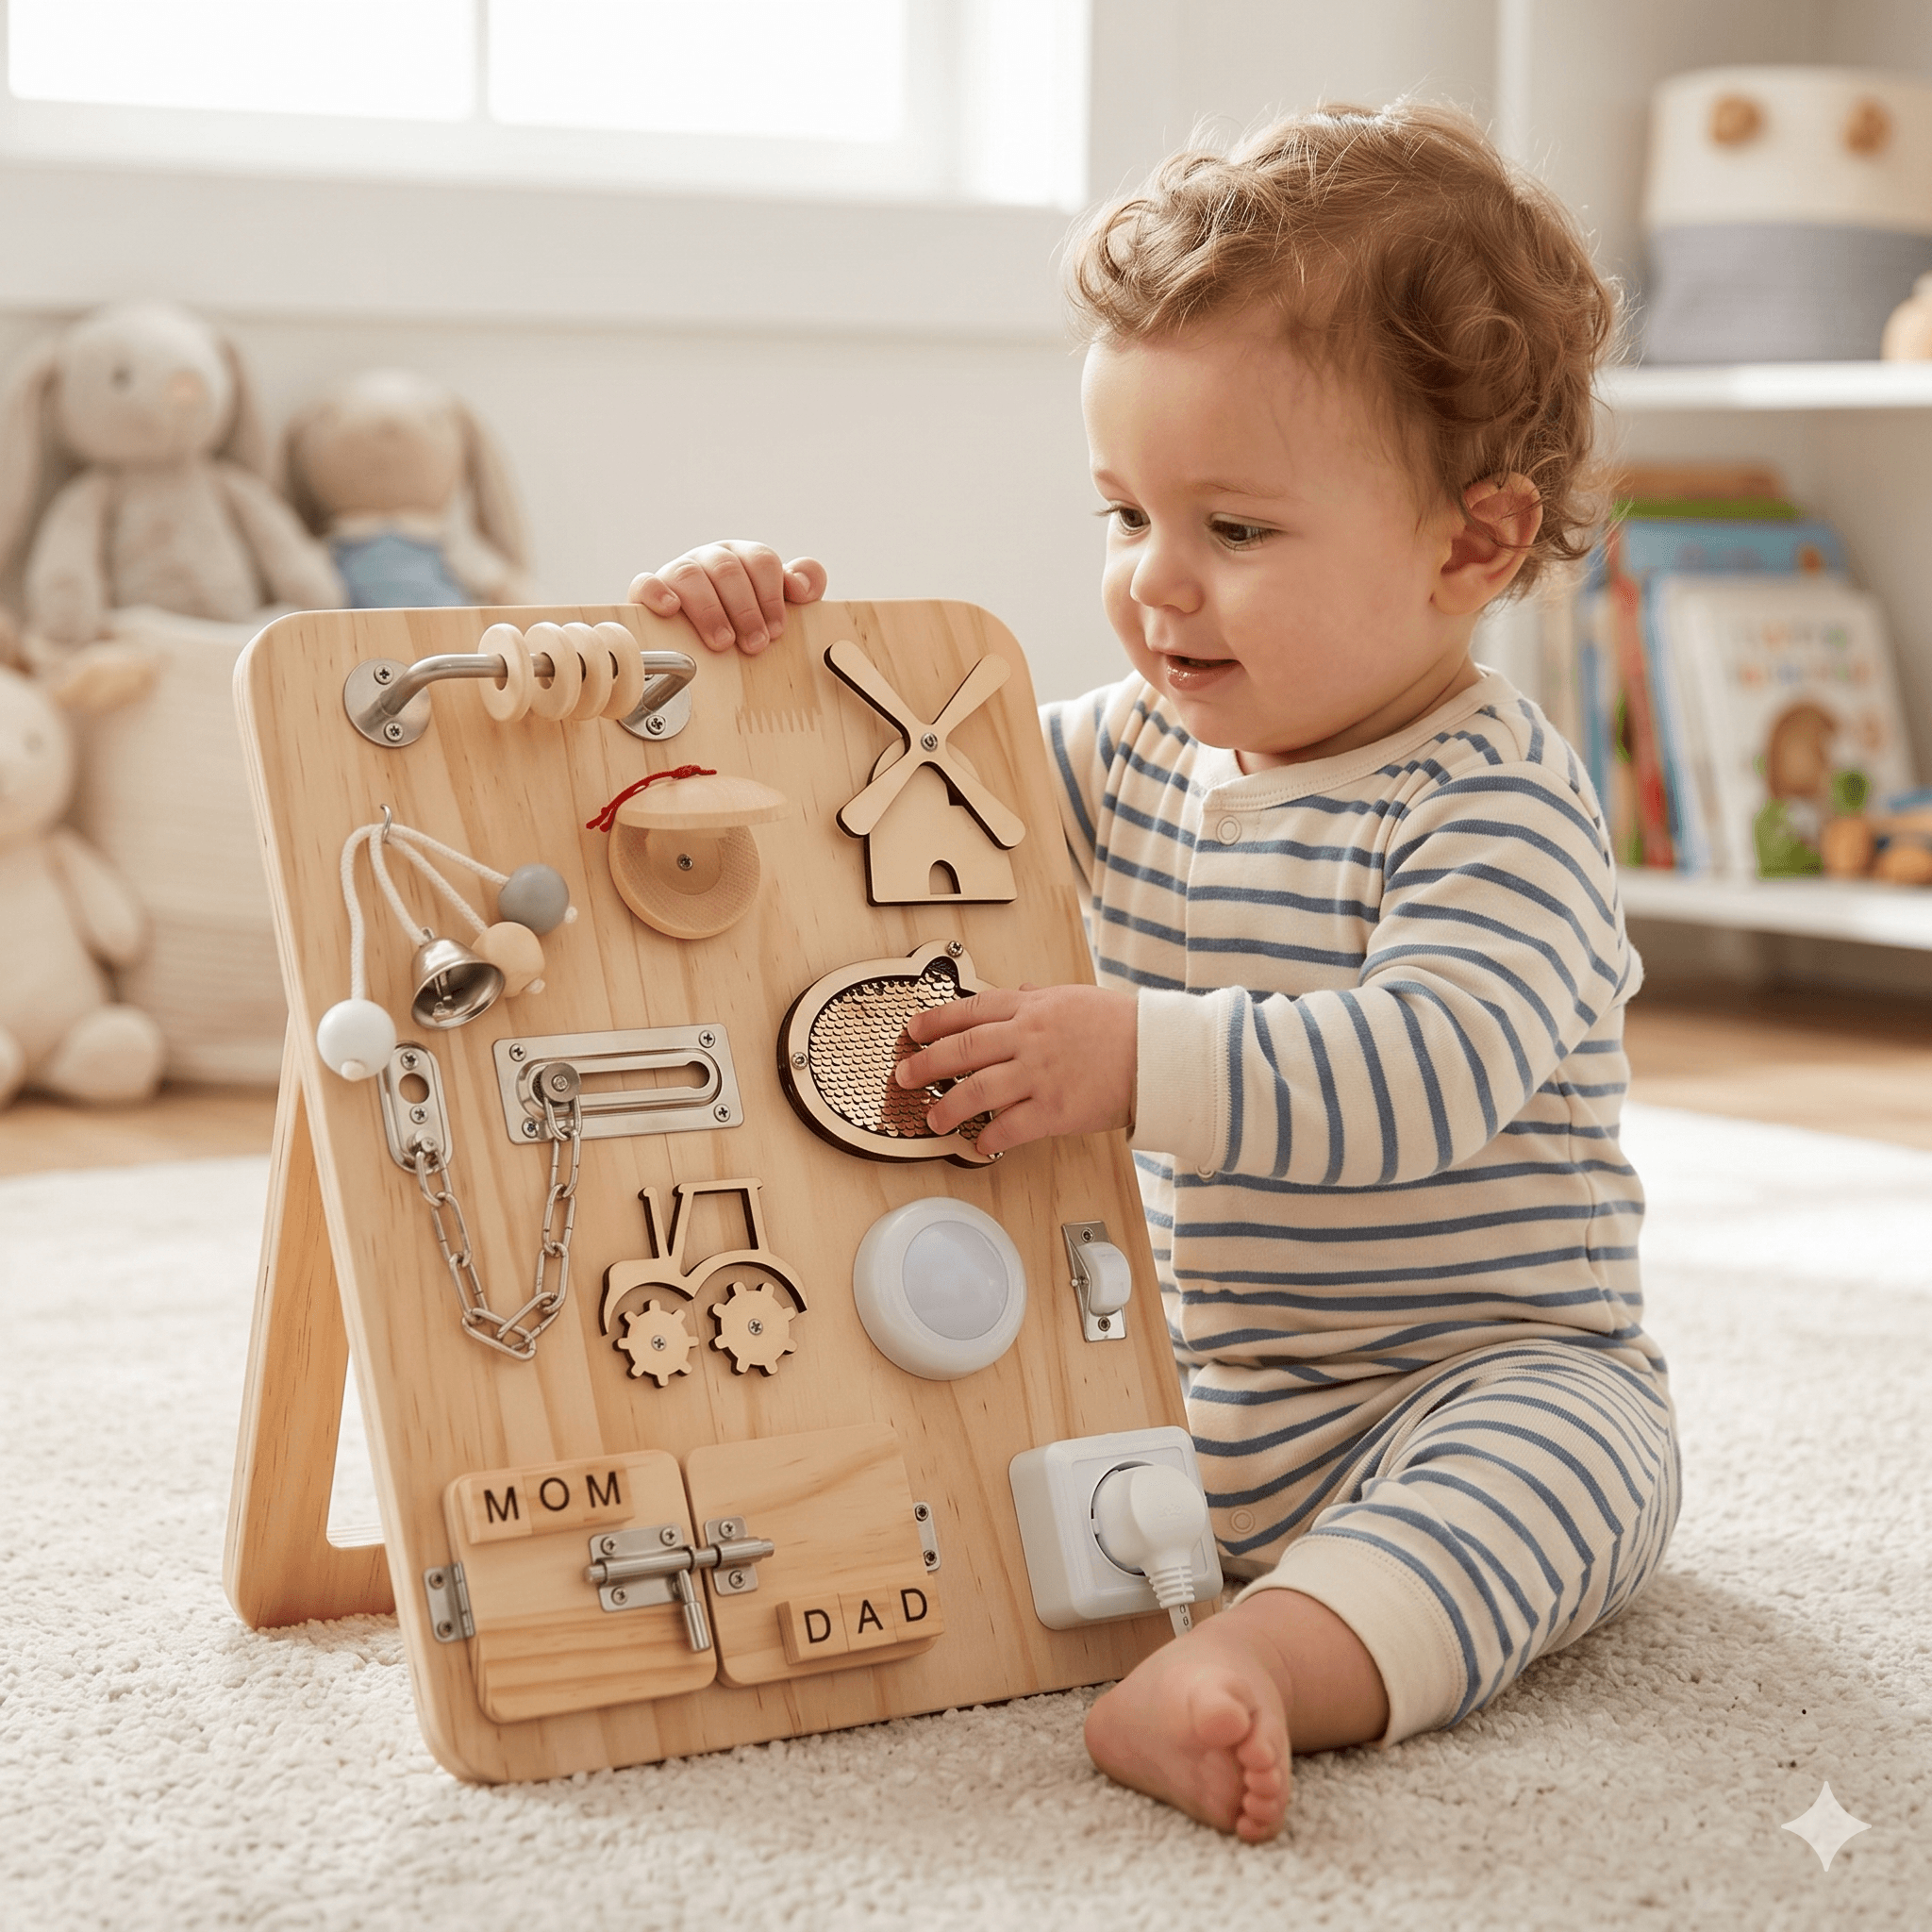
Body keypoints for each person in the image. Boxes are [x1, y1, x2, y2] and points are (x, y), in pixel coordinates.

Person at [628, 102, 1678, 1845]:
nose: (1152, 587)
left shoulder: (1497, 800)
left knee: (1569, 1482)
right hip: (1173, 1384)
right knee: (933, 1453)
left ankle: (1255, 1668)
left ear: (1473, 547)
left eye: (1237, 533)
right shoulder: (1122, 753)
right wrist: (733, 649)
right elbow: (850, 831)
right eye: (1123, 513)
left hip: (1472, 1379)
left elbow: (1426, 1072)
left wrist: (1127, 1057)